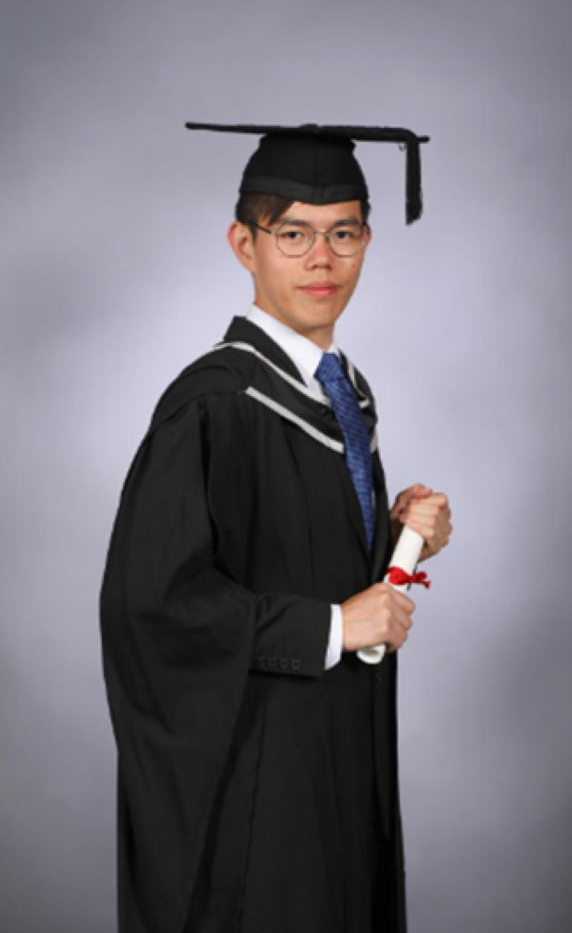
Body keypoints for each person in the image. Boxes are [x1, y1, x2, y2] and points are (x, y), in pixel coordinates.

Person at [100, 124, 453, 933]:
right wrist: (331, 624)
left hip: (342, 756)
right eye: (292, 234)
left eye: (344, 233)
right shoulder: (215, 405)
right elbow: (152, 606)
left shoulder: (343, 395)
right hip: (259, 783)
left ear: (366, 240)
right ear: (244, 243)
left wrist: (399, 542)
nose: (321, 261)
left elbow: (300, 550)